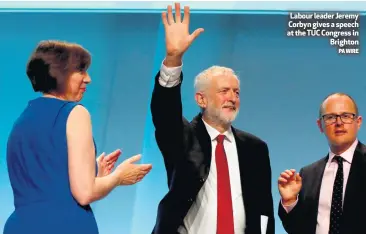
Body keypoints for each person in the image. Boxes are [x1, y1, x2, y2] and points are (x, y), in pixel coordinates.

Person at [150, 3, 275, 234]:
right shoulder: (183, 138)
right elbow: (164, 113)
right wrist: (173, 60)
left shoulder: (255, 148)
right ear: (201, 99)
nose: (232, 98)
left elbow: (262, 208)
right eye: (224, 91)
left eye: (236, 92)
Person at [4, 40, 152, 234]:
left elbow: (45, 178)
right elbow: (84, 193)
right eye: (81, 70)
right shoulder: (75, 113)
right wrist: (119, 177)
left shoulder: (22, 120)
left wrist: (95, 171)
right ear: (59, 73)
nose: (88, 79)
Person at [278, 92, 366, 234]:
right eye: (330, 117)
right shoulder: (307, 175)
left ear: (358, 122)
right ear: (320, 125)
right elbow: (298, 230)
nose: (339, 122)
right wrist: (290, 201)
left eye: (346, 116)